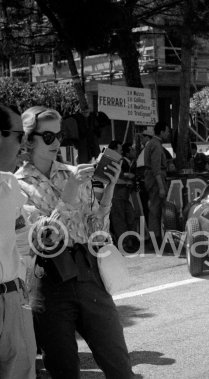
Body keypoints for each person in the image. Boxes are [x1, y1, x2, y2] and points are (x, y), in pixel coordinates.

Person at [16, 106, 133, 378]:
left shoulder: (73, 173)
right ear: (28, 139)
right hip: (49, 281)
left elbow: (97, 233)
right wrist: (67, 198)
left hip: (89, 274)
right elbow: (42, 240)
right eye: (48, 137)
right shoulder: (17, 185)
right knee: (63, 369)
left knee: (119, 365)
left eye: (60, 135)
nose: (57, 142)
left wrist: (108, 194)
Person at [0, 104, 36, 379]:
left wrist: (22, 282)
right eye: (18, 136)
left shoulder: (11, 187)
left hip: (12, 300)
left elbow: (23, 239)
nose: (22, 146)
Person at [143, 122, 170, 246]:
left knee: (155, 208)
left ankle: (155, 237)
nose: (168, 133)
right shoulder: (156, 145)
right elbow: (156, 169)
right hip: (155, 181)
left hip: (152, 179)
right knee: (155, 209)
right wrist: (161, 187)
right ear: (162, 131)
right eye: (167, 131)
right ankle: (155, 239)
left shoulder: (152, 144)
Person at [110, 141, 138, 252]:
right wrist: (127, 180)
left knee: (130, 217)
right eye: (120, 149)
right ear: (114, 150)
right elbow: (114, 179)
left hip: (124, 195)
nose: (121, 151)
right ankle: (125, 244)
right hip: (116, 195)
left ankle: (130, 241)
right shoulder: (111, 161)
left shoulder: (118, 161)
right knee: (119, 220)